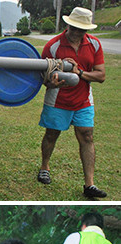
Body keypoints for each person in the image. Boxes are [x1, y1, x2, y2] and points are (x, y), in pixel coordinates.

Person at [37, 7, 108, 198]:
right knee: (52, 135)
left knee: (87, 137)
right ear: (67, 25)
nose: (77, 32)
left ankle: (89, 185)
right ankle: (45, 167)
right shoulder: (53, 46)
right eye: (74, 28)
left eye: (82, 29)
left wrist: (81, 73)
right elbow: (42, 78)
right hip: (58, 100)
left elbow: (101, 75)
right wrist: (50, 82)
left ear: (87, 30)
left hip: (84, 100)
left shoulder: (94, 45)